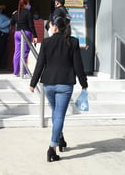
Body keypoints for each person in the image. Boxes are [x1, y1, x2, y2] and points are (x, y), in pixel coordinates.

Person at [29, 17, 88, 162]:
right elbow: (78, 64)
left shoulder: (47, 42)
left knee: (56, 114)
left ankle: (60, 139)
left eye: (50, 25)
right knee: (59, 115)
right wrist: (83, 83)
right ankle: (52, 148)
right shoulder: (73, 41)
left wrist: (33, 82)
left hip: (48, 84)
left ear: (55, 27)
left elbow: (40, 63)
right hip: (65, 84)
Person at [10, 0, 38, 76]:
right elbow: (31, 25)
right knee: (25, 52)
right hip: (26, 33)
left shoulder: (16, 13)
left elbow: (12, 23)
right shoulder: (28, 12)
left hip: (17, 33)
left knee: (17, 53)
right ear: (25, 4)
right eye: (28, 3)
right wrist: (35, 36)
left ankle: (16, 72)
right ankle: (24, 72)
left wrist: (13, 15)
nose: (29, 5)